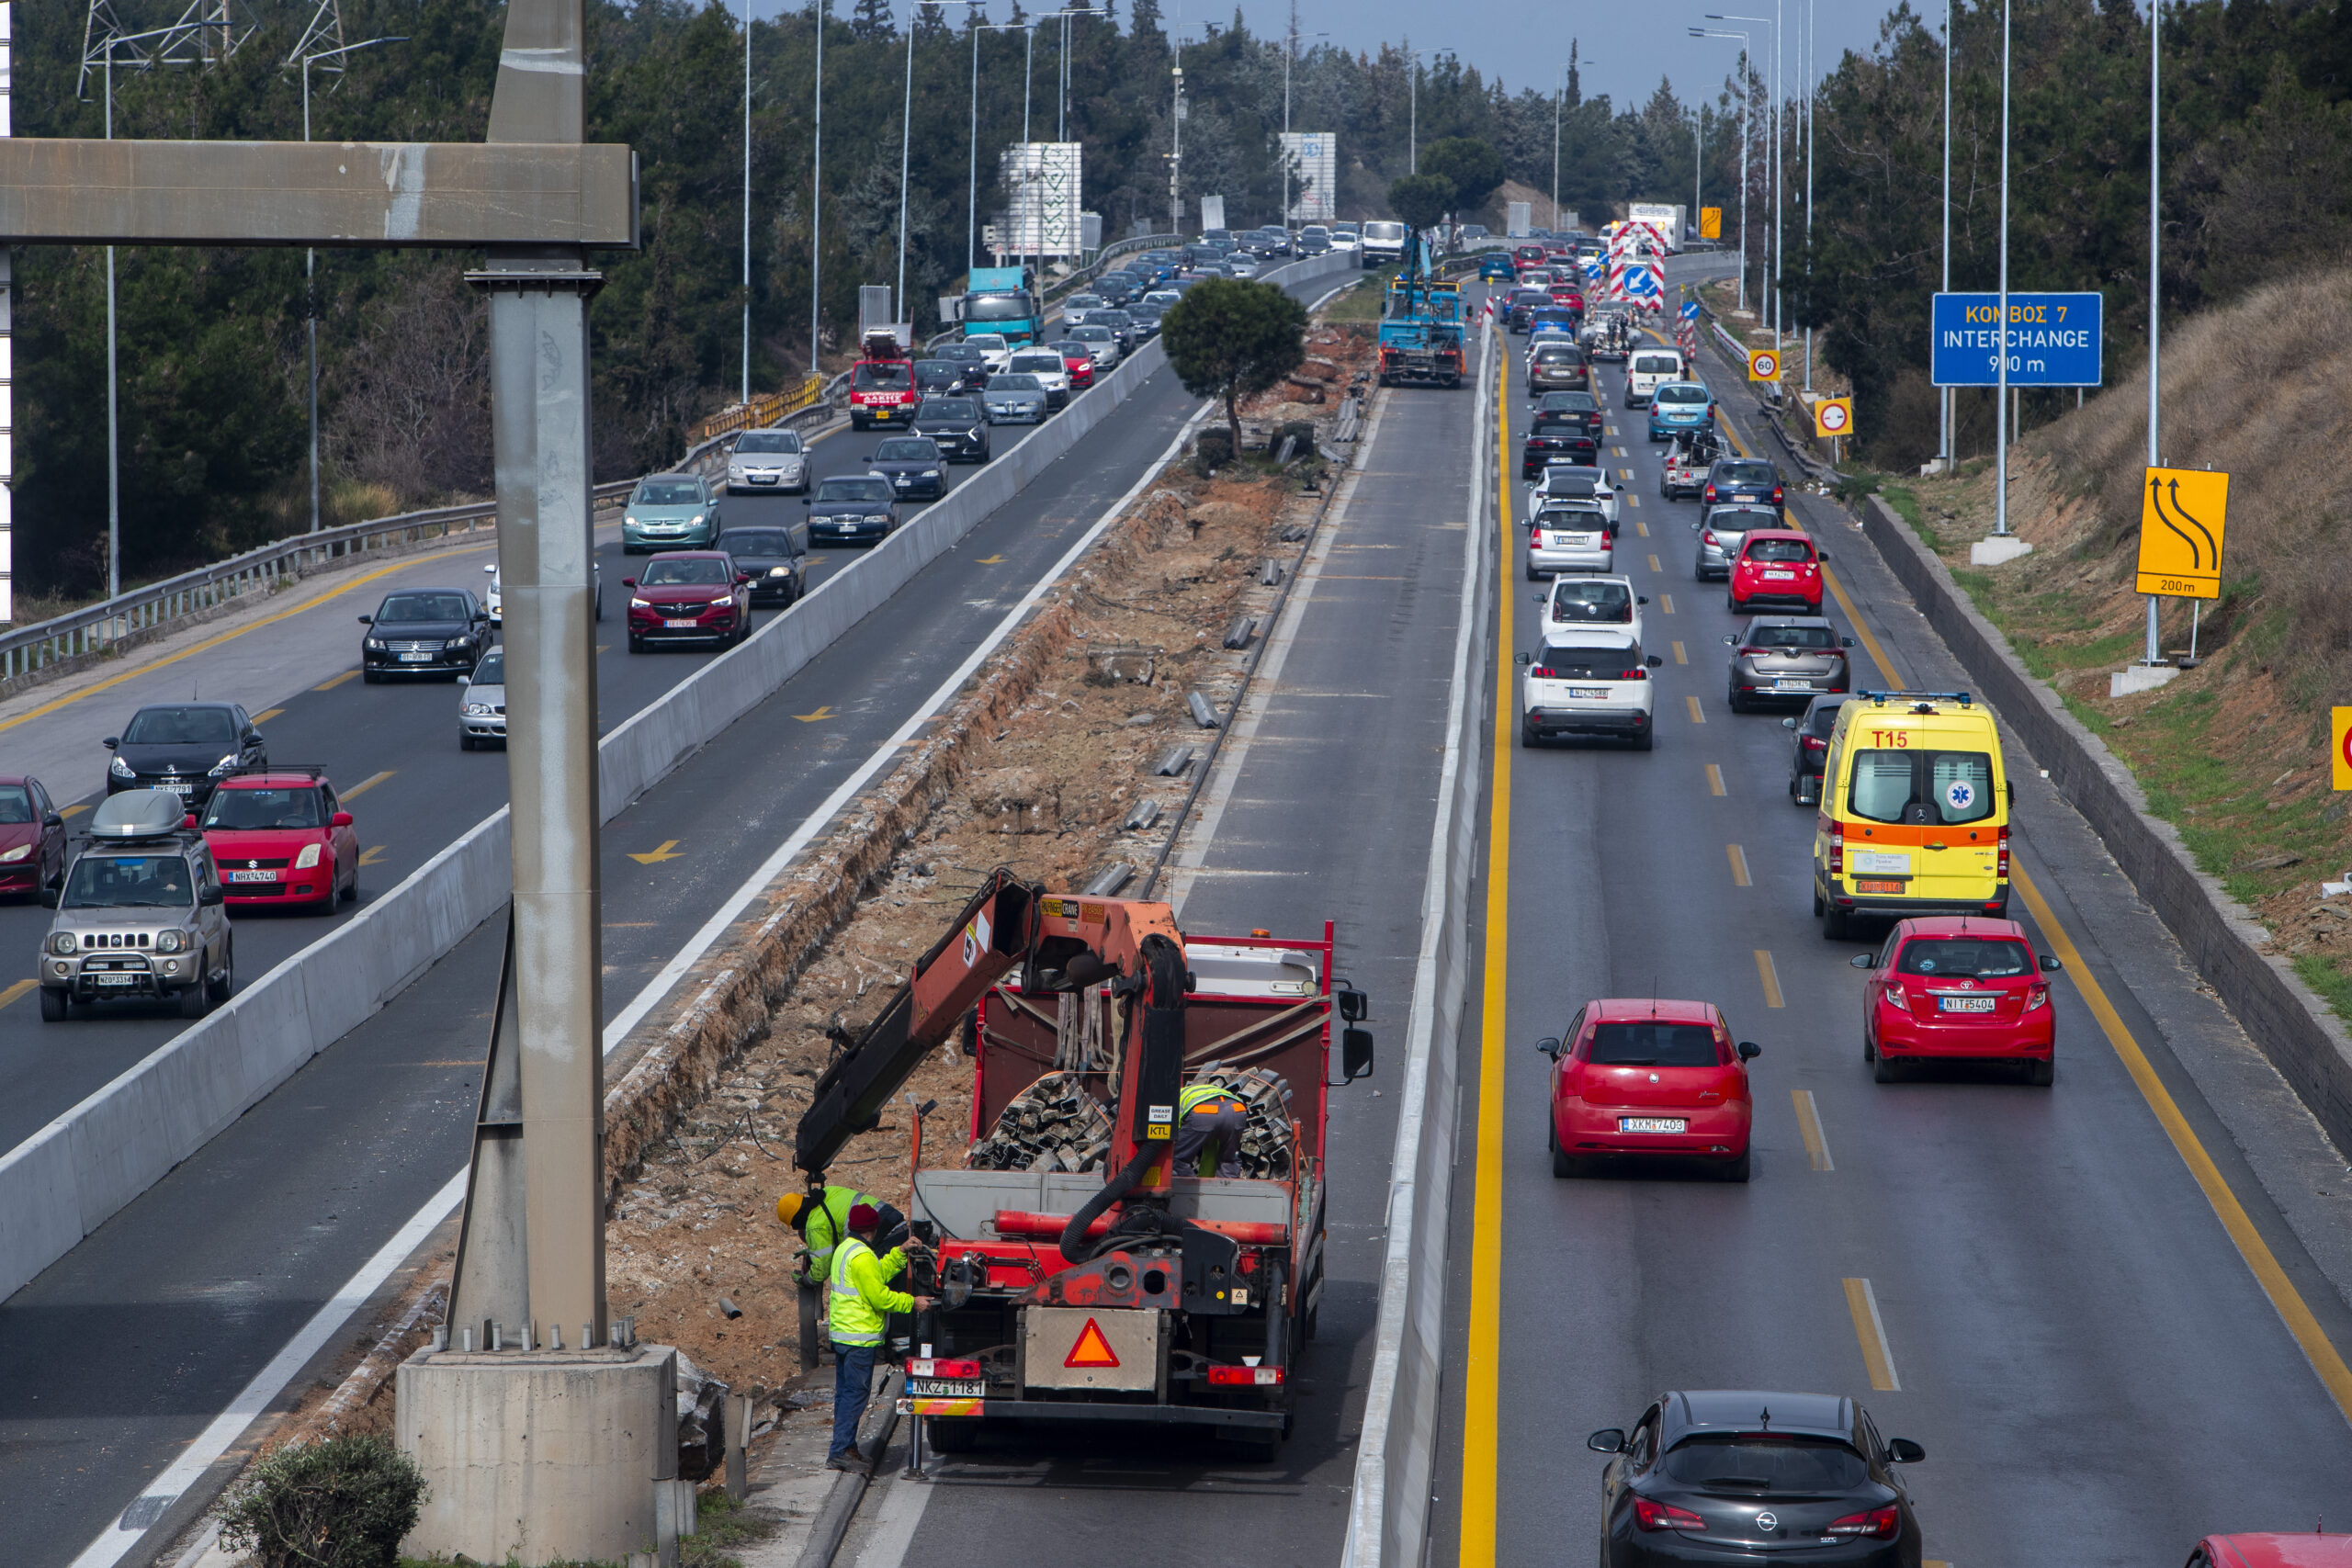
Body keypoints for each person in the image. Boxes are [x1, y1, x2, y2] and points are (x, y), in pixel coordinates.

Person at [827, 1203, 933, 1472]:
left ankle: (844, 1448)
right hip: (858, 1338)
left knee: (846, 1395)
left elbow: (876, 1277)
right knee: (854, 1396)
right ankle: (840, 1451)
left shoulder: (846, 1249)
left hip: (844, 1335)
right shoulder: (862, 1256)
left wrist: (899, 1253)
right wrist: (913, 1302)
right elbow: (879, 1296)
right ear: (875, 1227)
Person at [777, 1186, 908, 1286]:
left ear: (796, 1220)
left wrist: (806, 1281)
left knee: (879, 1286)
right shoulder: (827, 1192)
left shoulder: (815, 1225)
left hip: (882, 1237)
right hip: (896, 1222)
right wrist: (812, 1250)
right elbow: (836, 1228)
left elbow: (821, 1269)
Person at [1170, 1080, 1250, 1179]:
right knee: (1228, 1160)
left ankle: (1191, 1190)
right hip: (1236, 1110)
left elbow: (1172, 1132)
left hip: (1203, 1112)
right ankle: (1226, 1191)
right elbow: (1210, 1153)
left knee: (1176, 1158)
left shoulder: (1172, 1098)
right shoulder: (1201, 1090)